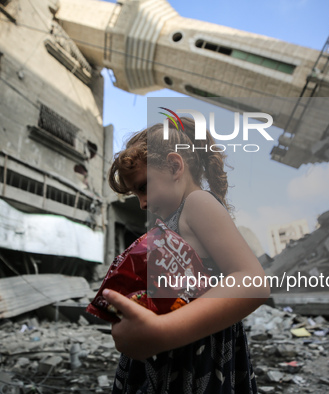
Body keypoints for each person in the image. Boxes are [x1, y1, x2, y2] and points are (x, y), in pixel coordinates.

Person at [104, 117, 270, 393]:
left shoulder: (197, 202)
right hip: (177, 352)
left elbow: (254, 282)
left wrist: (162, 332)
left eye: (143, 187)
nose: (142, 202)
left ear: (174, 166)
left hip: (194, 352)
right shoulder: (171, 220)